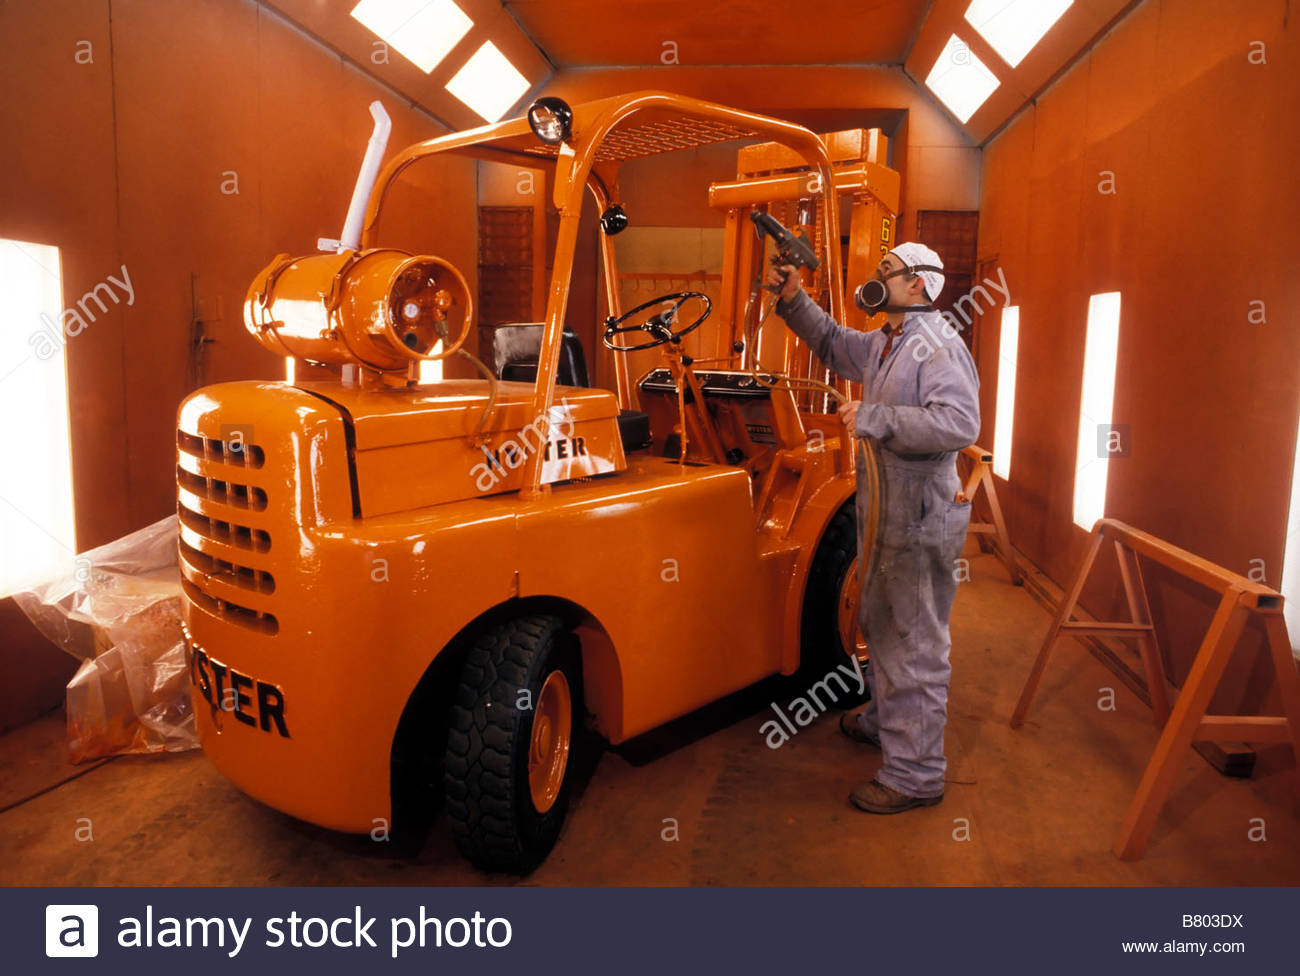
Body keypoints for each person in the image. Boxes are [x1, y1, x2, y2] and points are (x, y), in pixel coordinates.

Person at [768, 242, 980, 814]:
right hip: (891, 505)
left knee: (915, 640)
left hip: (920, 510)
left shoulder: (936, 343)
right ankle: (888, 721)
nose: (875, 277)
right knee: (882, 620)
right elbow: (834, 344)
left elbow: (960, 423)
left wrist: (875, 417)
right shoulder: (890, 340)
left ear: (918, 284)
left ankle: (915, 775)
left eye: (887, 271)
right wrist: (795, 299)